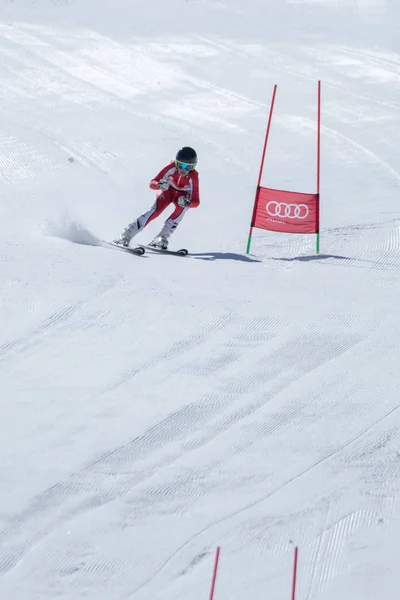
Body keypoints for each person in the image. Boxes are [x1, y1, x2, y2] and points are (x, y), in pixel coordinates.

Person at [113, 146, 200, 250]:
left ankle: (161, 238)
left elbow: (196, 201)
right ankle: (125, 235)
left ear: (193, 167)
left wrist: (188, 203)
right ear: (176, 163)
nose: (183, 170)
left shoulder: (194, 176)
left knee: (181, 209)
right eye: (180, 165)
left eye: (187, 167)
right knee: (155, 211)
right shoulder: (170, 167)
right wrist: (159, 184)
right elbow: (152, 183)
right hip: (168, 191)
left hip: (182, 196)